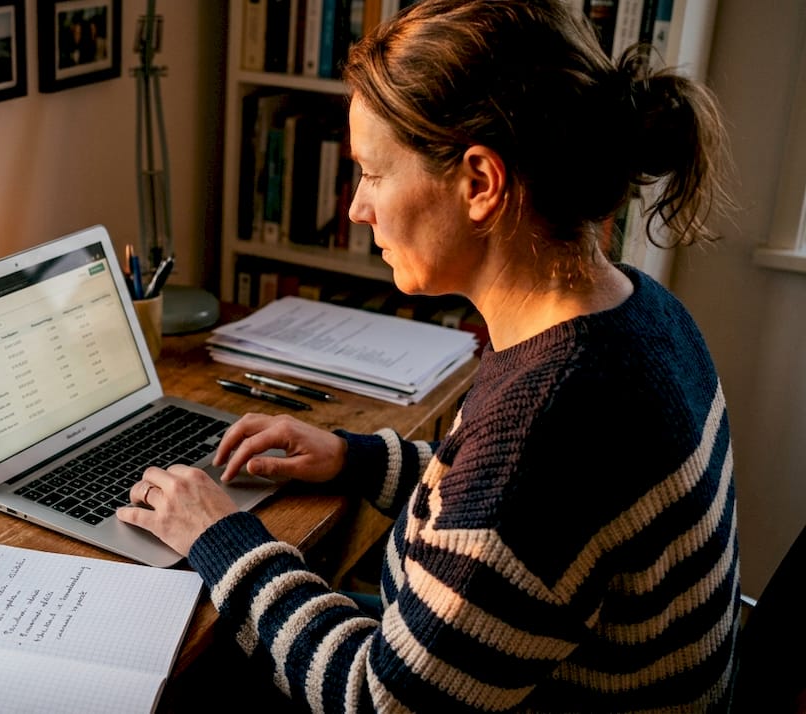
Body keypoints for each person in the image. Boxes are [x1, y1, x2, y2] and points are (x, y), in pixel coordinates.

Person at [116, 0, 739, 711]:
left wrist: (220, 535)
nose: (356, 208)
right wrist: (355, 459)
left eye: (373, 174)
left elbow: (376, 699)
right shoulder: (639, 312)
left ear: (479, 183)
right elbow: (517, 533)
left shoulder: (547, 427)